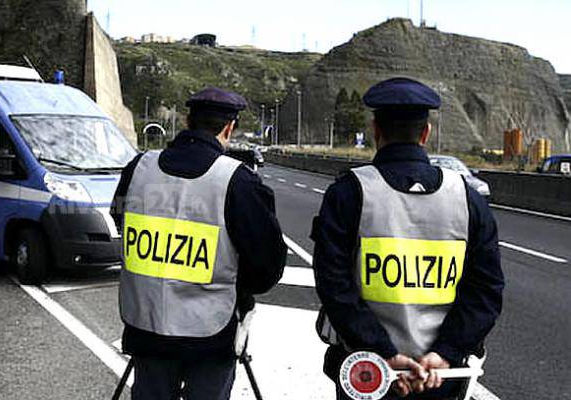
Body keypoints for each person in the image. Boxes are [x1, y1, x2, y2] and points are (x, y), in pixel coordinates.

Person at [312, 77, 504, 399]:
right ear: (425, 134)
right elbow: (486, 291)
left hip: (366, 372)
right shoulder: (468, 200)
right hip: (442, 377)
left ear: (376, 131)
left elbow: (334, 285)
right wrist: (444, 353)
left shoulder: (349, 193)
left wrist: (382, 352)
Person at [111, 87, 287, 399]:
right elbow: (266, 267)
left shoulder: (138, 168)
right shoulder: (238, 181)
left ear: (188, 121)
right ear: (229, 128)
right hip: (210, 334)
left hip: (145, 325)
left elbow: (120, 219)